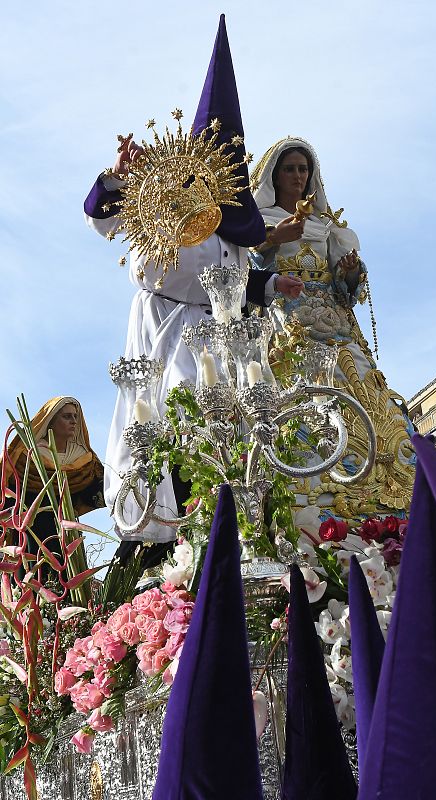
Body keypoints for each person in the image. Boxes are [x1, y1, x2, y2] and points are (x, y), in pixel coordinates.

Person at [84, 18, 302, 545]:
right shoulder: (165, 198)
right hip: (168, 328)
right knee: (174, 425)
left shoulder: (233, 227)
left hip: (221, 335)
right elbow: (102, 217)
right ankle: (174, 537)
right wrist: (119, 178)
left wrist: (270, 288)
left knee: (237, 434)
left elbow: (230, 281)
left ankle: (232, 527)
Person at [250, 137, 414, 521]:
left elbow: (349, 288)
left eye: (302, 169)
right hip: (285, 317)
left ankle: (386, 475)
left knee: (359, 382)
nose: (297, 175)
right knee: (295, 391)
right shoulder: (262, 220)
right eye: (289, 168)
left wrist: (350, 270)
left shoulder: (327, 226)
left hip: (331, 319)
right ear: (275, 174)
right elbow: (247, 265)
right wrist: (275, 238)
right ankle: (311, 485)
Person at [3, 397, 104, 571]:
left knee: (69, 579)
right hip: (33, 532)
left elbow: (94, 493)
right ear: (51, 421)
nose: (73, 421)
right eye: (67, 417)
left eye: (75, 416)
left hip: (67, 533)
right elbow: (9, 492)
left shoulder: (84, 459)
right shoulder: (29, 456)